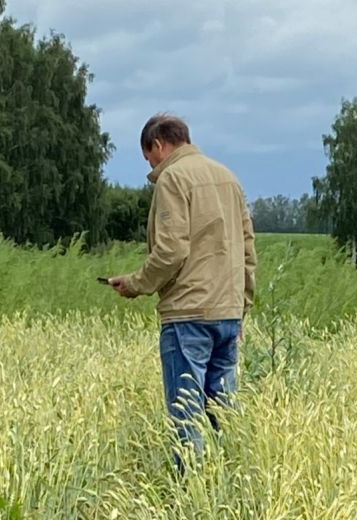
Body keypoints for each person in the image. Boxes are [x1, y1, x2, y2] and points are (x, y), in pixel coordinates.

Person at [109, 114, 257, 465]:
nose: (152, 166)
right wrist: (241, 307)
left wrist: (136, 284)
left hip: (187, 315)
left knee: (186, 414)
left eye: (149, 158)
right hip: (228, 313)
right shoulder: (229, 178)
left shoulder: (173, 178)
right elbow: (248, 250)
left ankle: (190, 495)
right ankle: (230, 486)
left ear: (158, 145)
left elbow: (171, 250)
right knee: (225, 415)